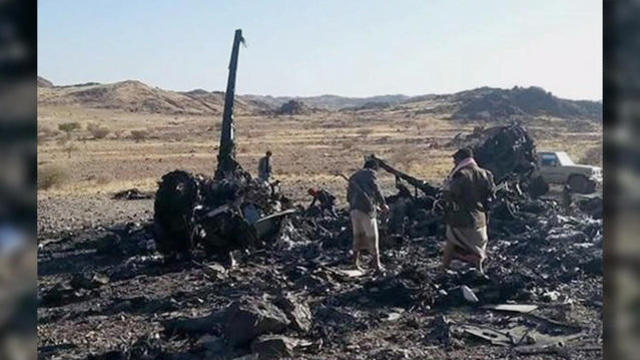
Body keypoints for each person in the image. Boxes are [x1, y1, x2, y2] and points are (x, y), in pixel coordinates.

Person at [441, 147, 495, 274]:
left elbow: (449, 194)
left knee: (453, 243)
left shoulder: (461, 175)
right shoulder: (486, 174)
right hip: (480, 220)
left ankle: (444, 271)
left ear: (460, 159)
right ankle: (478, 271)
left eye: (455, 160)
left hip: (461, 219)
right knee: (478, 248)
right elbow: (490, 197)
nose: (454, 163)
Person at [347, 157, 389, 272]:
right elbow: (377, 190)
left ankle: (355, 263)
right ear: (374, 168)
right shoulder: (371, 174)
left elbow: (348, 197)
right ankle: (376, 264)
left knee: (357, 236)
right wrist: (383, 204)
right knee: (373, 236)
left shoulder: (354, 176)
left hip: (354, 210)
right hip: (367, 210)